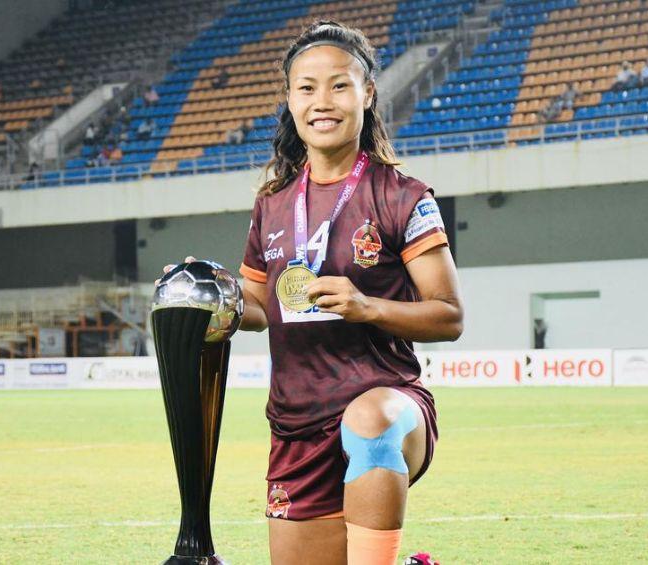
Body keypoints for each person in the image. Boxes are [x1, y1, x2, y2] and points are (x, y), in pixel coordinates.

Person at [161, 21, 462, 565]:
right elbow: (255, 308)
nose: (323, 101)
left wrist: (366, 306)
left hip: (387, 407)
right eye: (307, 87)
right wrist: (211, 296)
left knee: (368, 422)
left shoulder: (403, 197)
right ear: (290, 100)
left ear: (368, 94)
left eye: (339, 85)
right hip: (297, 425)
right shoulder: (273, 202)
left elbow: (448, 315)